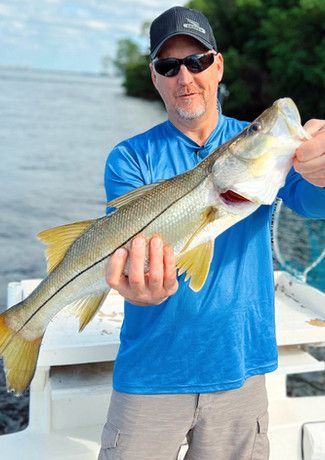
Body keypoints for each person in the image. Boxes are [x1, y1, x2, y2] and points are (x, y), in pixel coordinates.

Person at [98, 6, 325, 460]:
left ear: (218, 65)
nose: (186, 76)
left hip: (240, 370)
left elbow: (314, 201)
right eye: (169, 65)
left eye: (197, 61)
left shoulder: (262, 148)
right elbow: (128, 252)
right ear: (155, 78)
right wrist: (136, 285)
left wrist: (321, 169)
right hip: (151, 374)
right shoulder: (129, 158)